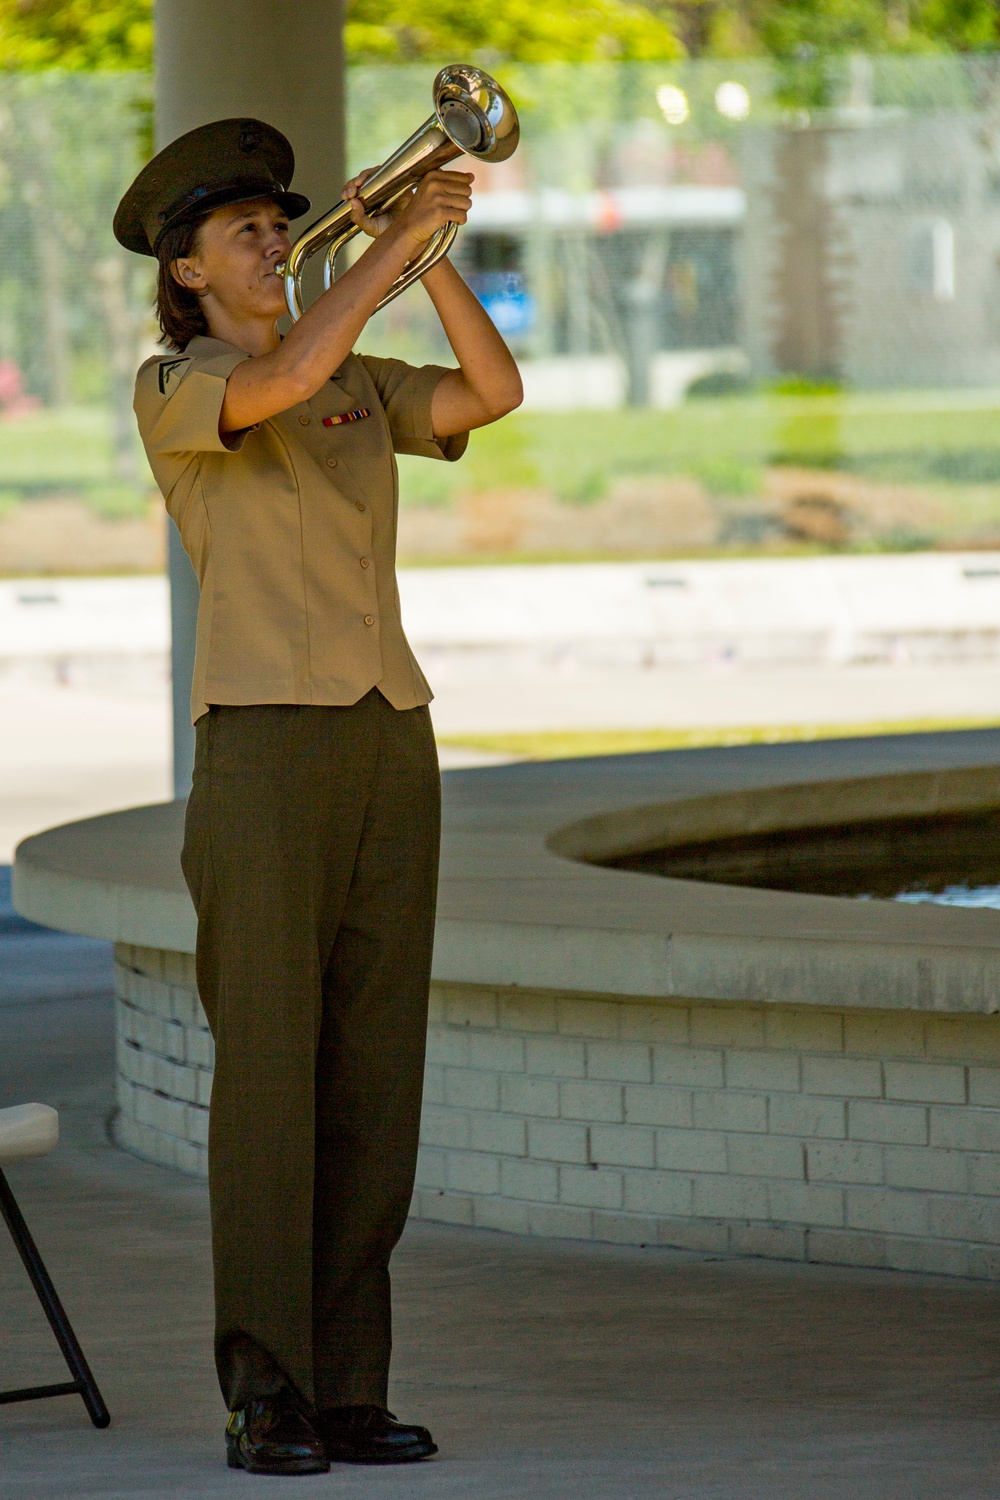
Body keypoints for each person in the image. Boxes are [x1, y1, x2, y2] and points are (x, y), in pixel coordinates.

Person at [114, 116, 522, 1476]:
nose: (274, 240)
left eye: (280, 222)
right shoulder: (180, 381)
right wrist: (388, 247)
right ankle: (264, 1389)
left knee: (370, 1081)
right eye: (246, 233)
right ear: (188, 273)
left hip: (383, 737)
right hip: (263, 750)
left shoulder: (352, 372)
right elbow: (288, 372)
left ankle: (350, 1385)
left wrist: (436, 254)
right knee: (273, 1080)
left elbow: (491, 393)